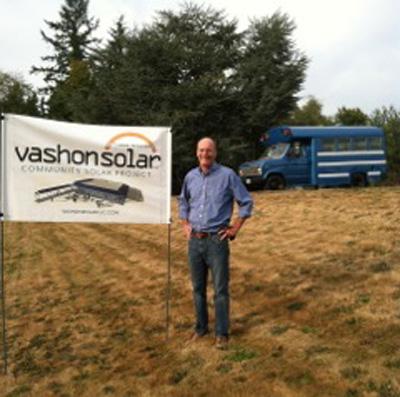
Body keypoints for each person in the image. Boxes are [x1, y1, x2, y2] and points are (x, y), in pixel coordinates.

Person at [179, 137, 253, 349]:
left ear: (215, 153)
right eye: (201, 150)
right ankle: (201, 328)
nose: (205, 154)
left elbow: (246, 202)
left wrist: (234, 228)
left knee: (220, 290)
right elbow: (183, 201)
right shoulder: (190, 177)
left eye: (209, 150)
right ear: (196, 152)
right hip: (194, 241)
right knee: (198, 288)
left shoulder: (227, 176)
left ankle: (221, 333)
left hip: (216, 242)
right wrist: (185, 223)